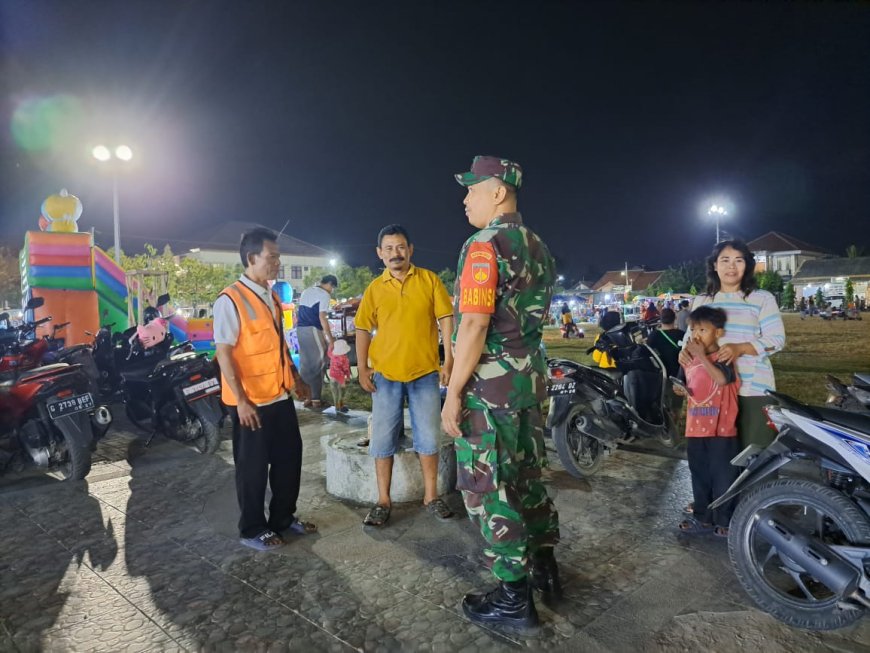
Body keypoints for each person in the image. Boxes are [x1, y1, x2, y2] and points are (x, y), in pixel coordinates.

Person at [442, 155, 560, 633]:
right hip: (527, 384)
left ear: (497, 193)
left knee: (489, 488)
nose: (465, 198)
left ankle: (513, 596)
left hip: (490, 390)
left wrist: (453, 393)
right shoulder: (538, 245)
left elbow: (474, 323)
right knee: (527, 477)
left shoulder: (484, 245)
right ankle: (545, 567)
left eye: (472, 189)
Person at [213, 227, 316, 552]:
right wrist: (241, 401)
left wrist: (296, 378)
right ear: (251, 258)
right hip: (251, 402)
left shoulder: (270, 297)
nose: (277, 262)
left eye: (278, 257)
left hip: (279, 395)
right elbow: (224, 354)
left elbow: (279, 345)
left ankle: (283, 518)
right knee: (253, 468)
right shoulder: (230, 300)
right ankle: (252, 528)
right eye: (272, 257)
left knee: (289, 459)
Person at [355, 224, 455, 527]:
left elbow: (446, 318)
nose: (395, 253)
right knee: (382, 439)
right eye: (388, 248)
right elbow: (362, 328)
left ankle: (431, 497)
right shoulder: (375, 289)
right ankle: (383, 501)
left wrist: (449, 360)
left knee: (429, 437)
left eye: (400, 247)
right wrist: (362, 367)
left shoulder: (429, 280)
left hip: (424, 373)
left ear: (410, 250)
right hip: (385, 376)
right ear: (379, 253)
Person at [679, 239, 786, 450]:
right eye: (725, 260)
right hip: (711, 390)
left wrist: (740, 348)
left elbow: (777, 340)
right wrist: (684, 353)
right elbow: (690, 338)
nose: (732, 266)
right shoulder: (702, 300)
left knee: (754, 451)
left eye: (739, 260)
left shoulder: (762, 299)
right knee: (720, 456)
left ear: (747, 265)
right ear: (714, 265)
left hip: (751, 389)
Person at [675, 306, 740, 538]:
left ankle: (725, 520)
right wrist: (678, 388)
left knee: (723, 477)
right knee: (699, 475)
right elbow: (681, 383)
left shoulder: (723, 357)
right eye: (693, 330)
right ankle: (703, 518)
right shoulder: (687, 359)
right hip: (695, 428)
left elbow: (721, 379)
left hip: (722, 430)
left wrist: (701, 356)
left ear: (718, 333)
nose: (697, 335)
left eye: (703, 330)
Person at [297, 275, 338, 409]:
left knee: (306, 364)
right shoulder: (324, 294)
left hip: (300, 329)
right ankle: (316, 400)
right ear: (330, 284)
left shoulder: (307, 291)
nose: (331, 290)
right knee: (319, 362)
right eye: (332, 287)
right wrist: (330, 339)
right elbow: (322, 317)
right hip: (313, 329)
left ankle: (307, 397)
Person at [647, 308, 685, 378]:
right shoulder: (682, 335)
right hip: (678, 373)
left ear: (660, 319)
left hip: (661, 374)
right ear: (675, 318)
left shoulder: (653, 336)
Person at [327, 338, 352, 413]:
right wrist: (348, 377)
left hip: (332, 376)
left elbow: (329, 352)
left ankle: (336, 406)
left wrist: (330, 346)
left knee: (334, 393)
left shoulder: (332, 355)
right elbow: (346, 369)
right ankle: (340, 406)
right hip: (340, 378)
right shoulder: (345, 359)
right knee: (341, 392)